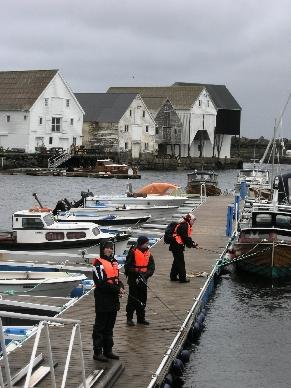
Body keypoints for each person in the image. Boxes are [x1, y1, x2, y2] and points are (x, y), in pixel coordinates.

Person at [92, 240, 125, 362]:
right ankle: (97, 352)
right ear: (102, 249)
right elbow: (101, 284)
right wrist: (117, 289)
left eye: (111, 248)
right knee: (100, 326)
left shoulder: (114, 262)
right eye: (107, 248)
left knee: (110, 326)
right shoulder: (98, 264)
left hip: (113, 299)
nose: (109, 250)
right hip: (102, 298)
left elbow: (116, 279)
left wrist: (121, 287)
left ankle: (108, 350)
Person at [124, 236, 155, 326]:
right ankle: (129, 318)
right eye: (145, 243)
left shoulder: (148, 254)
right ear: (141, 243)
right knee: (132, 300)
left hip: (143, 279)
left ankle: (141, 318)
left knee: (143, 299)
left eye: (147, 243)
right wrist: (136, 271)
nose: (147, 245)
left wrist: (145, 275)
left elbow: (152, 267)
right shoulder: (133, 252)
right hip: (134, 279)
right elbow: (127, 266)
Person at [169, 213, 198, 283]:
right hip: (176, 246)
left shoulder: (184, 224)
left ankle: (173, 277)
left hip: (176, 245)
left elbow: (185, 237)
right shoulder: (185, 225)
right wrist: (192, 244)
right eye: (193, 220)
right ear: (189, 219)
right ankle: (182, 278)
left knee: (176, 261)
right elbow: (185, 237)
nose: (194, 222)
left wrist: (192, 243)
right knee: (181, 262)